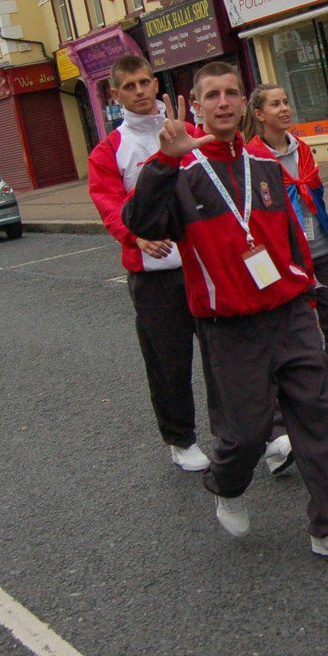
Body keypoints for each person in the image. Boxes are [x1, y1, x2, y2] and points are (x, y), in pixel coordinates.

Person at [124, 63, 328, 565]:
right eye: (211, 95)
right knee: (246, 432)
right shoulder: (181, 173)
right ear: (196, 106)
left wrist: (309, 294)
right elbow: (141, 222)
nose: (224, 102)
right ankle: (226, 483)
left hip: (290, 313)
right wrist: (162, 164)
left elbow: (291, 240)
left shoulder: (264, 164)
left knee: (319, 418)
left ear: (242, 103)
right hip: (229, 326)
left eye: (232, 92)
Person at [86, 55, 211, 474]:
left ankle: (254, 430)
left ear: (156, 84)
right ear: (116, 94)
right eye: (130, 87)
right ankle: (181, 438)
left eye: (145, 83)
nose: (140, 92)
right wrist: (135, 237)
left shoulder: (187, 131)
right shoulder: (109, 150)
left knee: (226, 352)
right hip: (155, 276)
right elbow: (108, 206)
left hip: (203, 265)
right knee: (168, 362)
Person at [243, 83, 328, 428]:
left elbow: (314, 195)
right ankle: (287, 414)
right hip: (284, 260)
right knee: (291, 336)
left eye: (286, 101)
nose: (284, 108)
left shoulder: (303, 150)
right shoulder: (251, 158)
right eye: (275, 104)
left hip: (322, 248)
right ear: (259, 115)